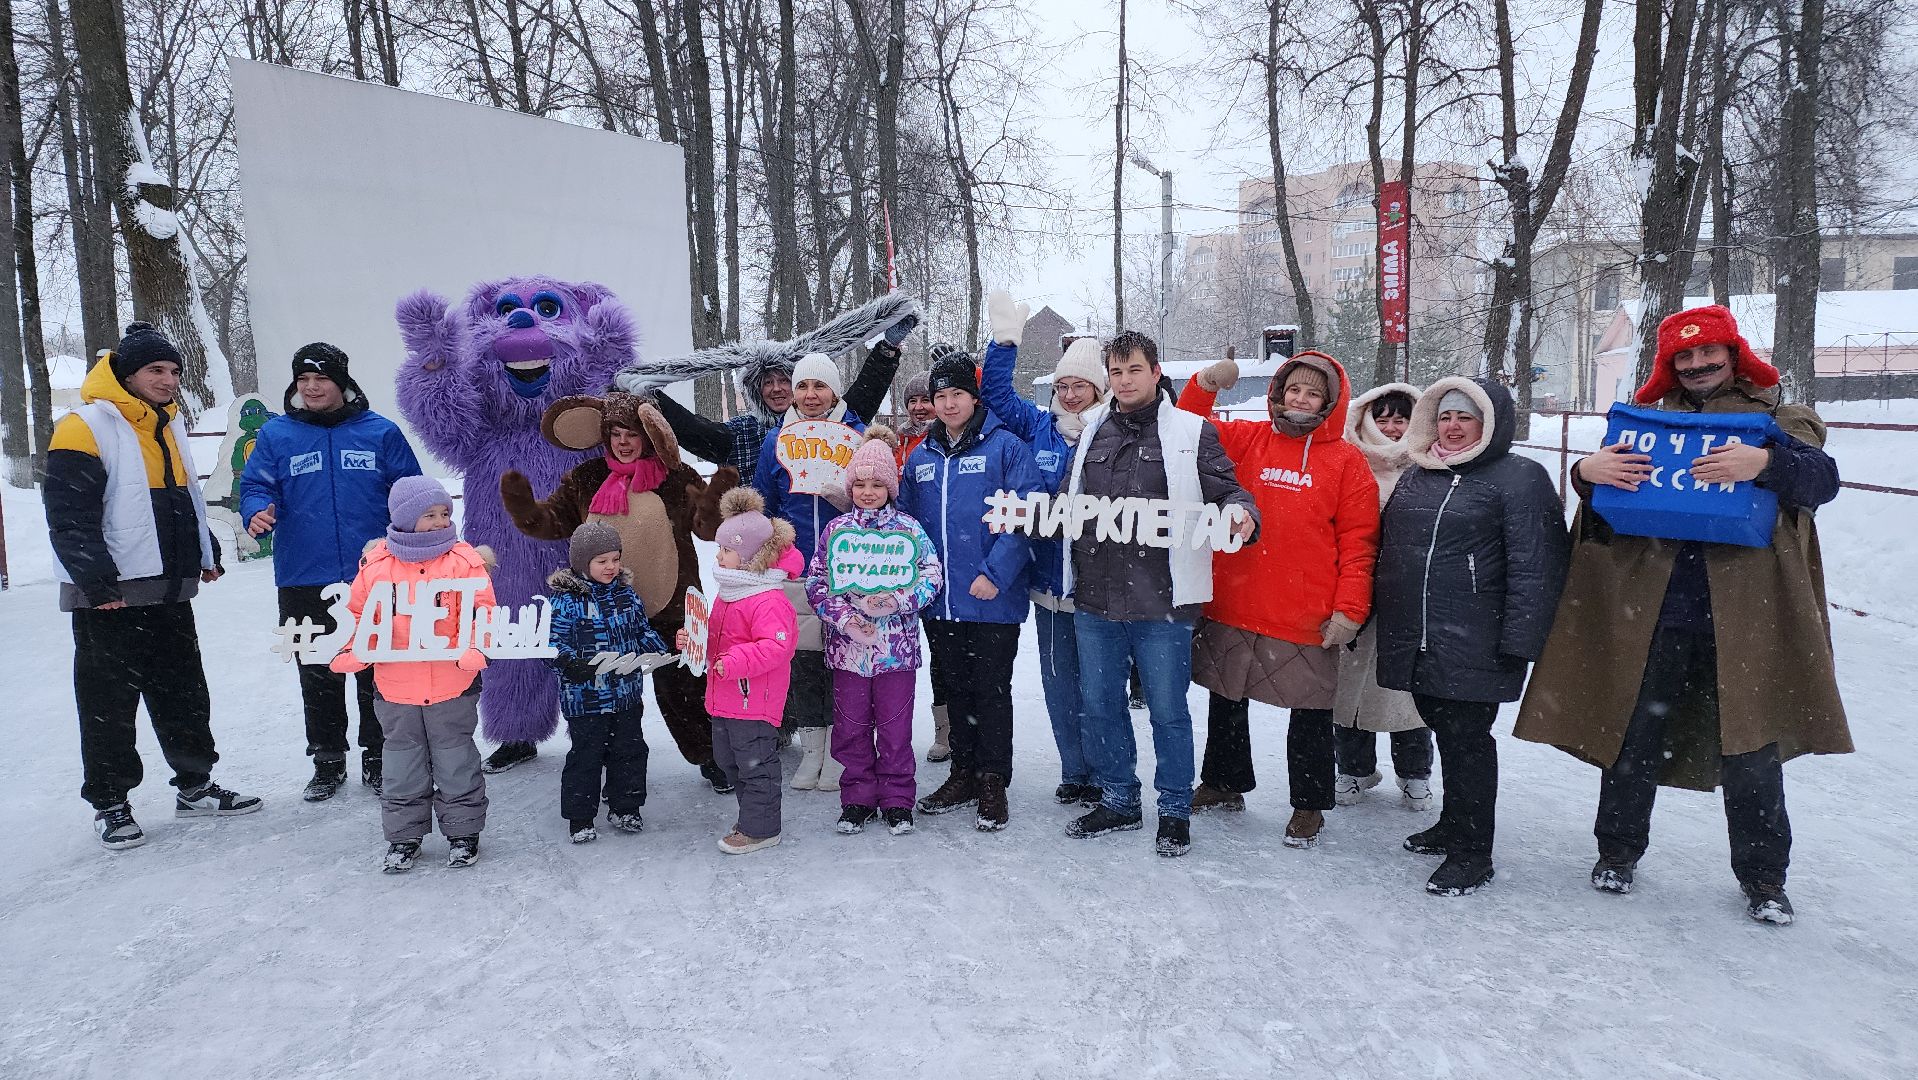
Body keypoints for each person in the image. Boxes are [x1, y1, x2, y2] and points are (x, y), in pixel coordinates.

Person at [1514, 304, 1848, 925]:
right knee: (1632, 738)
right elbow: (1606, 495)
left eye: (1708, 352)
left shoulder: (1780, 417)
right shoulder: (1649, 421)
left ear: (1734, 355)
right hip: (1652, 612)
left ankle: (1764, 878)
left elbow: (1822, 480)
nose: (1697, 364)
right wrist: (1585, 473)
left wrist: (1767, 464)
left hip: (1745, 620)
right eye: (1683, 356)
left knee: (1752, 750)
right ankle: (1617, 852)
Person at [45, 322, 263, 850]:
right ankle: (110, 801)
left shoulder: (167, 423)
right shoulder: (84, 425)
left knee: (183, 693)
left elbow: (180, 501)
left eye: (174, 371)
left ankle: (195, 785)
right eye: (156, 370)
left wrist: (204, 553)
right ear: (126, 373)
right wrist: (97, 583)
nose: (168, 380)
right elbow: (69, 515)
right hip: (111, 597)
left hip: (168, 590)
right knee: (109, 704)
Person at [1061, 331, 1258, 858]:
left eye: (1134, 370)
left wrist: (1242, 513)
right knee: (1101, 705)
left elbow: (1228, 490)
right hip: (1096, 599)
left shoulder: (1192, 431)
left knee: (1168, 710)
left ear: (1155, 372)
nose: (1125, 381)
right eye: (1116, 372)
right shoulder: (1091, 432)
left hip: (1164, 601)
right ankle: (1119, 799)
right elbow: (1067, 501)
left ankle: (1174, 809)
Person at [1374, 377, 1569, 895]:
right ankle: (1453, 825)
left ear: (1491, 423)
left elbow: (1537, 566)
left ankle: (1473, 852)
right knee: (1444, 729)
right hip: (1420, 636)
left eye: (1466, 417)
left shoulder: (1519, 478)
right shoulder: (1420, 473)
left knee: (1468, 742)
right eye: (1445, 416)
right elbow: (1392, 553)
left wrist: (1521, 641)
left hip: (1480, 638)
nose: (1453, 427)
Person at [1177, 351, 1380, 849]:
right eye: (1294, 390)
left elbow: (1360, 542)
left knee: (1310, 712)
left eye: (1313, 393)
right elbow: (1187, 430)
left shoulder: (1347, 461)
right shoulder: (1250, 439)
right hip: (1235, 599)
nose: (1301, 400)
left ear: (1329, 402)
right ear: (1278, 394)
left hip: (1305, 613)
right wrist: (1205, 383)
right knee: (1226, 698)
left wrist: (1350, 608)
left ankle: (1309, 804)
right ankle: (1224, 782)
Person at [500, 393, 737, 791]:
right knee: (608, 691)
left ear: (649, 435)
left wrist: (714, 502)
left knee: (685, 688)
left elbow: (707, 528)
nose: (623, 442)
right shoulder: (586, 478)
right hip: (605, 611)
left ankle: (710, 756)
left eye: (632, 433)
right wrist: (524, 508)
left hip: (671, 605)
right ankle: (614, 770)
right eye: (615, 433)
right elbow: (553, 522)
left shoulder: (676, 476)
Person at [239, 342, 423, 801]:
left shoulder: (380, 432)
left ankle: (378, 756)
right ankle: (327, 759)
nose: (312, 387)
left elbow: (410, 492)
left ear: (341, 382)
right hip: (303, 573)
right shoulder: (277, 435)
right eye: (303, 379)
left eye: (321, 378)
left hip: (375, 573)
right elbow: (256, 483)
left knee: (376, 668)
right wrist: (256, 508)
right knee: (317, 669)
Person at [976, 291, 1110, 808]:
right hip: (1049, 586)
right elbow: (996, 397)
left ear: (1099, 389)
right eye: (1063, 386)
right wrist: (1004, 344)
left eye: (1080, 386)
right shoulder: (1039, 427)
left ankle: (1105, 774)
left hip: (1099, 588)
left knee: (1098, 688)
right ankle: (1074, 770)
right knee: (1058, 685)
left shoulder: (1112, 432)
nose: (1070, 395)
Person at [901, 352, 1043, 831]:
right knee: (955, 689)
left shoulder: (1005, 447)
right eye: (940, 396)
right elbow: (907, 525)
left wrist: (995, 574)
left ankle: (992, 780)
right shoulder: (921, 456)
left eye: (957, 394)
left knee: (991, 691)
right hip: (940, 601)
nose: (948, 404)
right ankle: (963, 772)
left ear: (974, 397)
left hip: (991, 599)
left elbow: (1027, 514)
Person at [328, 476, 492, 872]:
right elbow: (357, 614)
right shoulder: (377, 565)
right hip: (395, 689)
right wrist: (352, 649)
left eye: (444, 513)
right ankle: (404, 837)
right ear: (404, 519)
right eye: (429, 515)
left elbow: (482, 610)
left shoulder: (464, 561)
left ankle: (463, 832)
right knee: (402, 765)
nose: (440, 522)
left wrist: (476, 646)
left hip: (453, 684)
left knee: (456, 760)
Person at [804, 428, 942, 836]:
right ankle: (858, 798)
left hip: (896, 652)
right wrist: (845, 619)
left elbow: (931, 575)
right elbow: (817, 582)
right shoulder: (837, 531)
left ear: (890, 488)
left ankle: (898, 799)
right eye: (860, 484)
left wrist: (898, 601)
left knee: (896, 730)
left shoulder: (908, 530)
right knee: (851, 729)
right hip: (848, 651)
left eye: (877, 484)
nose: (868, 492)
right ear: (850, 487)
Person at [753, 353, 870, 791]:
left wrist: (848, 502)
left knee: (844, 661)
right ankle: (812, 749)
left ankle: (842, 749)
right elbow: (764, 503)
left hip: (850, 568)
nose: (810, 395)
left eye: (819, 386)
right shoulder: (776, 441)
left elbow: (881, 497)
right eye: (802, 386)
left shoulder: (857, 436)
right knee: (803, 661)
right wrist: (773, 551)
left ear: (835, 392)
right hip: (797, 568)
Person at [1331, 384, 1436, 811]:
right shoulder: (1348, 462)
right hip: (1354, 591)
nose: (1392, 428)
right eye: (1383, 419)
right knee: (1349, 689)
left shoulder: (1431, 465)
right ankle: (1354, 769)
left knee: (1407, 694)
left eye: (1401, 419)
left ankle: (1414, 772)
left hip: (1410, 598)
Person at [683, 488, 803, 854]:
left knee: (756, 764)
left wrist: (734, 661)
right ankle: (752, 815)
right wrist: (695, 640)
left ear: (749, 556)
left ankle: (761, 828)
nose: (718, 556)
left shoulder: (767, 598)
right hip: (725, 696)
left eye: (725, 550)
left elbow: (777, 646)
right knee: (728, 760)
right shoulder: (731, 591)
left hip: (754, 700)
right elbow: (720, 637)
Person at [653, 322, 911, 483]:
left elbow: (865, 393)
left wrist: (887, 349)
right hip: (759, 543)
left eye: (784, 380)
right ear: (757, 390)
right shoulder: (742, 432)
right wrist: (652, 397)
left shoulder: (832, 422)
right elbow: (693, 430)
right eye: (767, 382)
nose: (776, 388)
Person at [547, 523, 672, 843]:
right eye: (602, 561)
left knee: (629, 751)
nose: (611, 567)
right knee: (586, 756)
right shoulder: (566, 601)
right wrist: (568, 664)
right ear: (582, 562)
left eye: (615, 559)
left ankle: (625, 806)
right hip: (585, 698)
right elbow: (551, 643)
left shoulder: (626, 595)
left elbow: (642, 632)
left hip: (626, 693)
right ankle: (580, 817)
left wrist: (658, 648)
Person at [891, 370, 935, 466]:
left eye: (925, 400)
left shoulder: (949, 441)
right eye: (913, 401)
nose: (918, 407)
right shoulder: (901, 445)